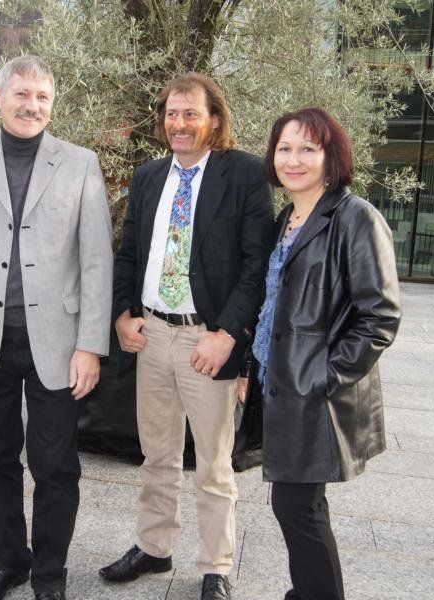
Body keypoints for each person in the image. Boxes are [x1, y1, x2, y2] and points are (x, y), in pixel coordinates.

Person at [0, 55, 113, 600]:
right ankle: (9, 562)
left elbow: (97, 261)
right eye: (21, 94)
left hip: (58, 344)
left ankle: (49, 573)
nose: (32, 106)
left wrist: (90, 345)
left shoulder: (81, 164)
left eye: (42, 97)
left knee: (56, 466)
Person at [102, 73, 274, 600]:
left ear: (214, 120)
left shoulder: (244, 174)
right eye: (172, 114)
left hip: (208, 340)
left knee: (214, 464)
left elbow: (257, 265)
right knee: (156, 454)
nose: (179, 123)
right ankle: (154, 547)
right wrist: (123, 314)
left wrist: (228, 334)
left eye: (190, 114)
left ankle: (216, 566)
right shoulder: (149, 176)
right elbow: (129, 252)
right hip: (153, 334)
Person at [244, 107, 401, 600]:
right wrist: (254, 368)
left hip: (315, 393)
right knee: (300, 506)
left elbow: (380, 316)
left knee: (297, 507)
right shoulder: (287, 218)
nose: (293, 160)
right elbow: (273, 302)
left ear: (331, 156)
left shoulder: (355, 218)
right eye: (284, 148)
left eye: (307, 149)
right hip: (281, 385)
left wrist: (325, 376)